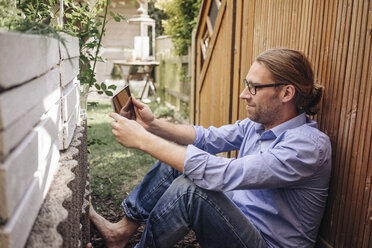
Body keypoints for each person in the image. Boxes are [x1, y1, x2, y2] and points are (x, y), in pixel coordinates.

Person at [89, 48, 332, 248]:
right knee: (175, 158)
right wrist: (151, 125)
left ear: (286, 93)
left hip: (265, 243)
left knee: (191, 189)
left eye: (254, 87)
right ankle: (120, 232)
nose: (243, 94)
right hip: (237, 224)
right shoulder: (258, 126)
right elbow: (206, 138)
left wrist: (143, 140)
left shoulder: (307, 146)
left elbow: (226, 174)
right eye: (246, 84)